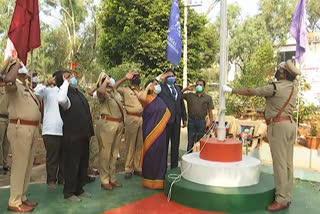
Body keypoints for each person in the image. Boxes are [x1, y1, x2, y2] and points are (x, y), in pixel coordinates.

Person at [223, 60, 300, 212]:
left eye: (280, 69)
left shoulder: (275, 88)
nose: (277, 71)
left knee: (279, 163)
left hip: (278, 127)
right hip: (290, 125)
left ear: (284, 73)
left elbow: (251, 91)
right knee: (288, 163)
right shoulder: (293, 86)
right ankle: (287, 195)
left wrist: (231, 90)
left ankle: (281, 199)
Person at [2, 57, 41, 212]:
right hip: (20, 128)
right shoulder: (12, 85)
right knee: (19, 165)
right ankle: (14, 201)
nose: (23, 67)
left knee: (27, 165)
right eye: (20, 66)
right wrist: (16, 64)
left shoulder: (25, 87)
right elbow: (8, 78)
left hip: (31, 129)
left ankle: (22, 197)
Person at [56, 70, 94, 202]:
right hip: (72, 136)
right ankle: (69, 192)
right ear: (62, 81)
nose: (71, 78)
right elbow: (61, 100)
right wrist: (64, 84)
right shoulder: (64, 96)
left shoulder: (77, 93)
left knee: (83, 163)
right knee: (72, 164)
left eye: (70, 76)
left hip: (83, 135)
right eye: (67, 77)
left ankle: (79, 189)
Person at [138, 80, 171, 189]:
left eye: (157, 84)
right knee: (150, 154)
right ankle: (148, 180)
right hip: (150, 131)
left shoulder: (160, 100)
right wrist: (147, 88)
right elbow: (140, 97)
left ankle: (159, 181)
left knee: (160, 154)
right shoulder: (146, 98)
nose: (157, 86)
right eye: (154, 84)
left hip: (161, 132)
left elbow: (167, 114)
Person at [34, 72, 64, 190]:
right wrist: (47, 82)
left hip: (65, 129)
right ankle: (51, 180)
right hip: (51, 130)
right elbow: (36, 91)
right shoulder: (48, 91)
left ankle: (63, 179)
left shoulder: (66, 91)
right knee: (52, 157)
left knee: (64, 157)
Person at [96, 72, 124, 191]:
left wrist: (123, 78)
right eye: (105, 78)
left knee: (114, 153)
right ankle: (104, 180)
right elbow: (100, 92)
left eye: (109, 77)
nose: (109, 80)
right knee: (105, 153)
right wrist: (104, 82)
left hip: (118, 124)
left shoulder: (114, 92)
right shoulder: (102, 92)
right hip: (107, 124)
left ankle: (112, 178)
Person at [115, 69, 143, 179]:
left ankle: (137, 167)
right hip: (131, 118)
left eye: (138, 76)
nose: (137, 78)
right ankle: (128, 168)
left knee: (139, 144)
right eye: (134, 76)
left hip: (141, 119)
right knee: (130, 144)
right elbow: (114, 87)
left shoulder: (142, 90)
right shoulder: (126, 89)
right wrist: (125, 78)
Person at [157, 70, 187, 169]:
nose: (171, 77)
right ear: (165, 77)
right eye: (169, 76)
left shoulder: (178, 88)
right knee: (164, 146)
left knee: (175, 145)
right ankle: (163, 167)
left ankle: (174, 166)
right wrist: (159, 78)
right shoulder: (160, 88)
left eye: (173, 76)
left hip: (176, 121)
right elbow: (150, 86)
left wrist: (184, 118)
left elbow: (181, 104)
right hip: (165, 121)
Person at [181, 79, 214, 152]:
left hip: (201, 122)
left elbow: (210, 111)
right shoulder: (190, 95)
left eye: (200, 85)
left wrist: (211, 123)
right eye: (197, 85)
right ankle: (189, 157)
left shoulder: (208, 98)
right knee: (190, 142)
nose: (199, 86)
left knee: (200, 142)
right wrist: (186, 88)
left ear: (204, 87)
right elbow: (179, 95)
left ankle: (200, 158)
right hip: (191, 121)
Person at [0, 73, 9, 175]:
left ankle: (5, 163)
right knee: (0, 141)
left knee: (7, 143)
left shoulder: (9, 88)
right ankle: (0, 164)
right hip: (1, 117)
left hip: (9, 118)